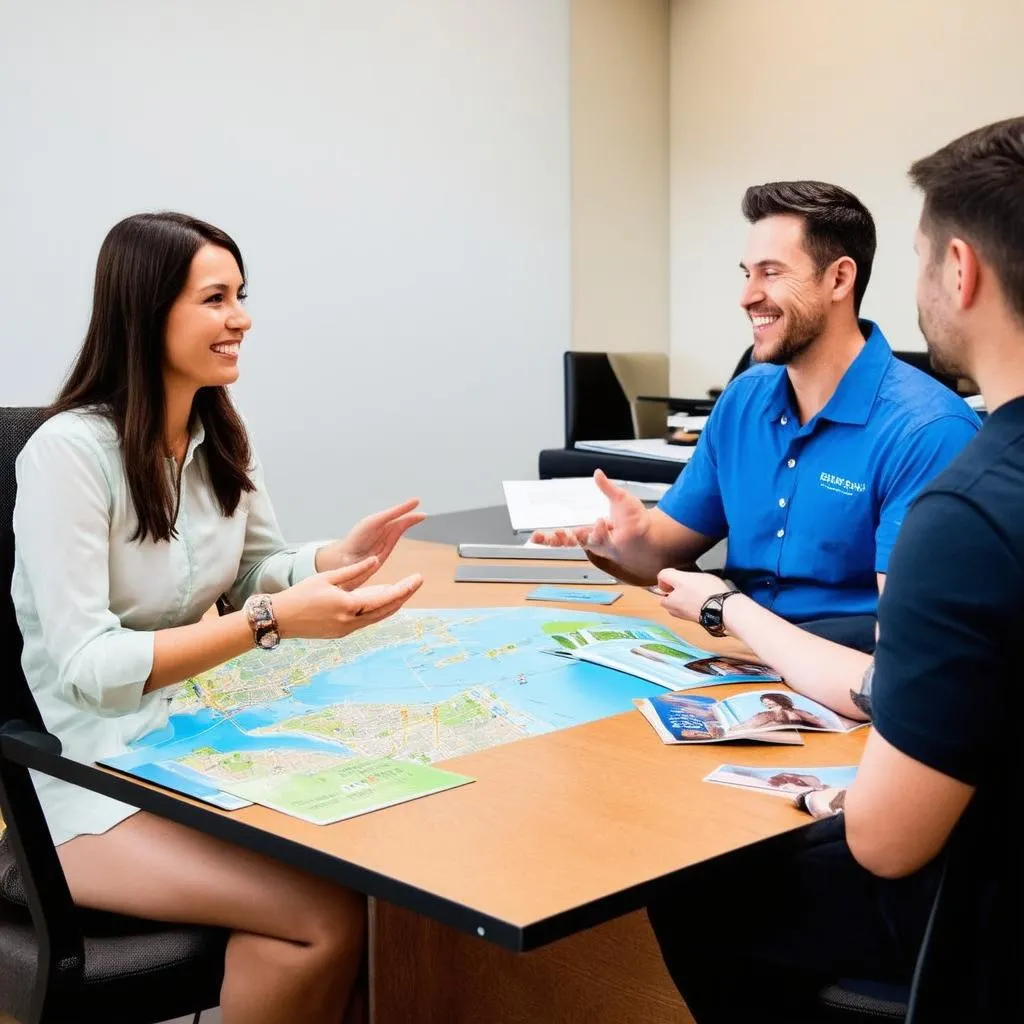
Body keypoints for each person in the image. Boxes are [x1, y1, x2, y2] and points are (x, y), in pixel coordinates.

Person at [645, 117, 1024, 1022]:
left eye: (929, 259)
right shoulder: (753, 401)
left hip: (971, 909)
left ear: (960, 272)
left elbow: (889, 841)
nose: (749, 294)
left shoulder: (961, 501)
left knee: (692, 882)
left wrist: (824, 791)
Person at [11, 212, 428, 1024]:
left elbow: (247, 575)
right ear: (147, 308)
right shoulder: (67, 455)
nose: (241, 319)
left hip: (185, 745)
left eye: (242, 296)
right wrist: (270, 622)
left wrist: (332, 558)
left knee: (385, 879)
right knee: (321, 920)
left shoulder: (218, 432)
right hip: (80, 777)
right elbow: (90, 671)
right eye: (216, 298)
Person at [533, 181, 980, 653]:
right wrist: (628, 540)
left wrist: (730, 614)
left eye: (771, 273)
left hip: (847, 689)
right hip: (734, 660)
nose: (747, 296)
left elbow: (912, 648)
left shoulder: (929, 431)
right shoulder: (744, 398)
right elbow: (662, 551)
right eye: (746, 274)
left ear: (839, 280)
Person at [731, 692, 828, 732]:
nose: (767, 703)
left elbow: (817, 721)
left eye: (769, 700)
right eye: (764, 702)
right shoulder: (765, 714)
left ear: (777, 699)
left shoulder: (792, 711)